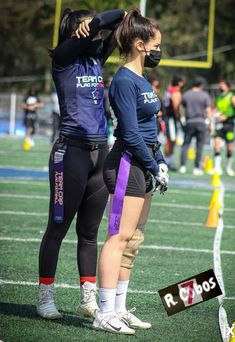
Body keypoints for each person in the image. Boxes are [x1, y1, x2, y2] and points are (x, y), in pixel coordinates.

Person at [37, 7, 126, 320]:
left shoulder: (95, 57)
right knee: (57, 229)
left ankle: (87, 299)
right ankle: (45, 297)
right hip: (70, 154)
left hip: (100, 154)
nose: (99, 35)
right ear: (80, 31)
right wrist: (94, 22)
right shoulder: (63, 58)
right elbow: (102, 22)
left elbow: (121, 16)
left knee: (89, 233)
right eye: (92, 29)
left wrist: (112, 18)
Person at [93, 9, 169, 335]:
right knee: (118, 238)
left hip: (145, 163)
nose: (158, 52)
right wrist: (153, 165)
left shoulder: (141, 79)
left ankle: (120, 309)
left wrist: (160, 160)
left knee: (133, 240)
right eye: (155, 46)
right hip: (128, 164)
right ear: (140, 45)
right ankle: (104, 312)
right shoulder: (124, 80)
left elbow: (148, 128)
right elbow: (130, 132)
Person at [179, 77, 212, 175]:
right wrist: (210, 123)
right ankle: (197, 167)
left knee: (186, 144)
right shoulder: (204, 95)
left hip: (189, 122)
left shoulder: (186, 94)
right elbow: (208, 111)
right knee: (199, 146)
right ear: (201, 85)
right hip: (201, 122)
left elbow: (181, 108)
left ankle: (182, 166)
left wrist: (182, 118)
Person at [213, 80, 235, 176]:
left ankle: (228, 167)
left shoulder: (232, 96)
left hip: (229, 125)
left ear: (227, 86)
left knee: (229, 148)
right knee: (217, 145)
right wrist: (214, 114)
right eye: (220, 85)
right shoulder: (218, 97)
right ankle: (217, 168)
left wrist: (227, 116)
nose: (220, 87)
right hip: (219, 125)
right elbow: (217, 109)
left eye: (222, 85)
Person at [163, 74, 184, 170]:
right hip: (171, 118)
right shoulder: (176, 92)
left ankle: (168, 160)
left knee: (171, 139)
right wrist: (179, 117)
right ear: (179, 82)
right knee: (171, 139)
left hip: (168, 117)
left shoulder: (168, 89)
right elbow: (176, 107)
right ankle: (167, 161)